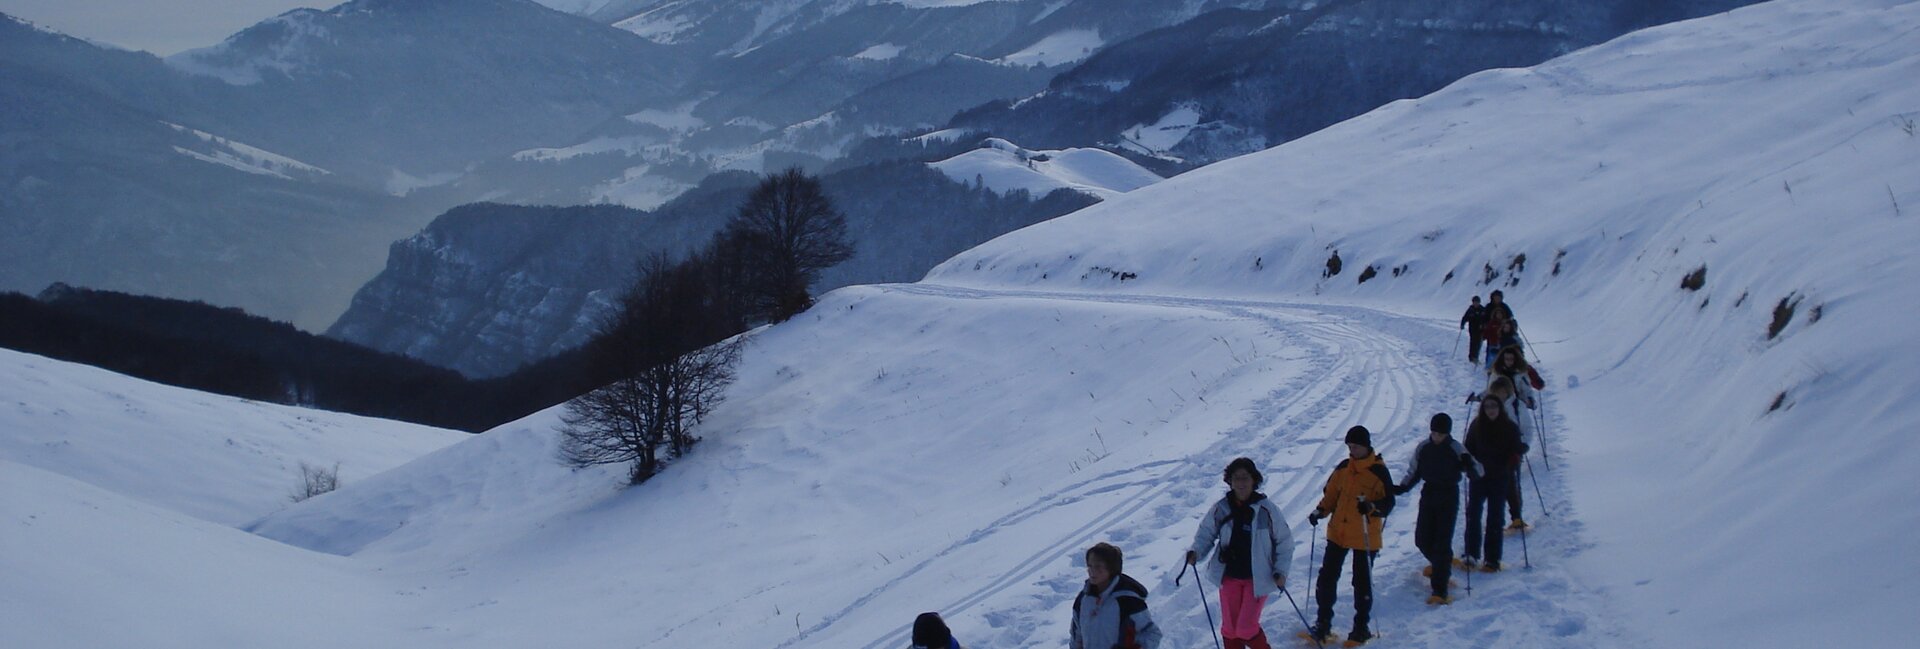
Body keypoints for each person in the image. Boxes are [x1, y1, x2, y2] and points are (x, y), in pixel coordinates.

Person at [1187, 458, 1294, 649]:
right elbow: (1206, 533)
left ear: (1254, 480)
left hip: (1258, 578)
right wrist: (1196, 552)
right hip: (1229, 575)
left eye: (1245, 478)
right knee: (1229, 629)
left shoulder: (1266, 509)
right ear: (1230, 481)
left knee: (1246, 628)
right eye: (1236, 478)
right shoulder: (1222, 507)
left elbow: (1284, 541)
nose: (1241, 483)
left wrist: (1281, 571)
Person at [1304, 426, 1395, 646]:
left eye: (1356, 446)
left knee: (1361, 582)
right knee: (1327, 578)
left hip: (1365, 536)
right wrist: (1320, 511)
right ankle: (1323, 623)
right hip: (1339, 532)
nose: (1352, 451)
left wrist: (1371, 507)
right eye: (1350, 447)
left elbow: (1388, 503)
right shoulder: (1343, 468)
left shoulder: (1378, 471)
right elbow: (1332, 494)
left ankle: (1360, 628)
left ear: (1366, 446)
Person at [1392, 414, 1483, 604]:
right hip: (1429, 493)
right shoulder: (1424, 448)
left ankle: (1440, 589)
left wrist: (1469, 467)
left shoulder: (1456, 448)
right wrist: (1403, 487)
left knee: (1442, 540)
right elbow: (1414, 471)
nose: (1436, 437)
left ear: (1447, 433)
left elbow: (1477, 471)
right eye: (1434, 433)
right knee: (1422, 539)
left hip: (1449, 494)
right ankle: (1441, 566)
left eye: (1440, 434)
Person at [1462, 396, 1523, 572]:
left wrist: (1516, 456)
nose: (1491, 410)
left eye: (1494, 406)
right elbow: (1468, 449)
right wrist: (1468, 466)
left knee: (1495, 517)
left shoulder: (1510, 427)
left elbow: (1516, 449)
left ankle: (1492, 559)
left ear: (1499, 408)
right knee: (1473, 514)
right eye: (1487, 406)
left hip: (1500, 477)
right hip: (1479, 477)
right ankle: (1471, 553)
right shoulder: (1476, 426)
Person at [1487, 348, 1543, 530]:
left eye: (1512, 358)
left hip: (1512, 448)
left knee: (1512, 482)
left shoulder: (1520, 376)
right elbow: (1488, 390)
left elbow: (1527, 390)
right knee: (1496, 484)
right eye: (1507, 358)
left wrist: (1524, 445)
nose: (1509, 361)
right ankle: (1497, 518)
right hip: (1494, 449)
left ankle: (1516, 516)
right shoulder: (1495, 378)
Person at [1071, 542, 1162, 649]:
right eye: (1090, 566)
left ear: (1111, 568)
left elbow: (1152, 634)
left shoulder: (1127, 600)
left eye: (1098, 566)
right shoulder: (1083, 600)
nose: (1092, 571)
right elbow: (1077, 636)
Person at [1460, 296, 1488, 363]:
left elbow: (1486, 319)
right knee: (1473, 343)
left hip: (1481, 330)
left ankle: (1475, 357)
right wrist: (1462, 324)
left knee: (1478, 343)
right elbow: (1465, 317)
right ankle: (1471, 357)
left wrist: (1485, 325)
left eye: (1477, 302)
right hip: (1472, 329)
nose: (1476, 303)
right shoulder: (1470, 310)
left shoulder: (1482, 309)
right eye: (1475, 302)